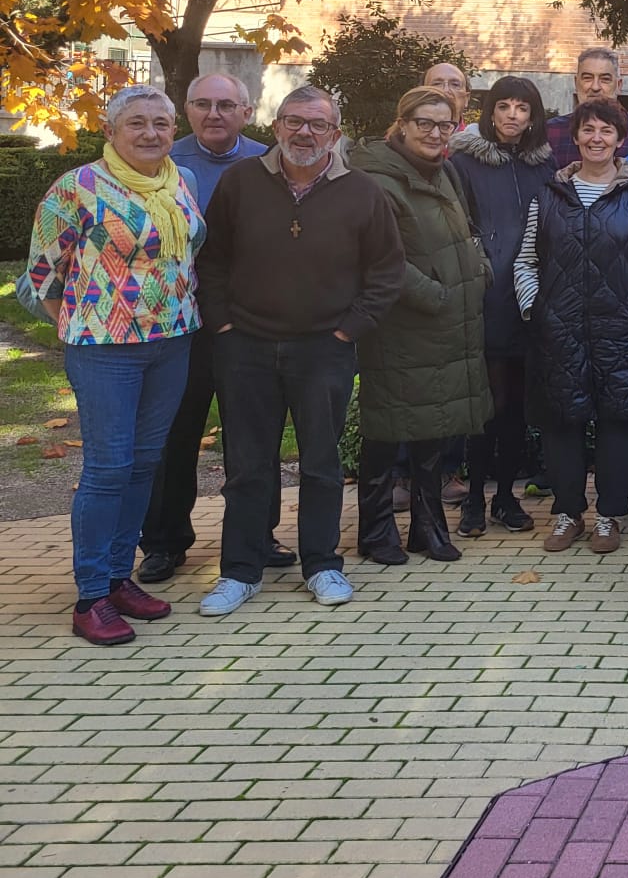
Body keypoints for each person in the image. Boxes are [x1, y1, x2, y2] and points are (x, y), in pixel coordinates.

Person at [196, 85, 403, 617]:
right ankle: (239, 572)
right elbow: (211, 260)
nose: (304, 132)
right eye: (293, 121)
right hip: (245, 346)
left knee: (322, 463)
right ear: (276, 125)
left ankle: (322, 563)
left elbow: (385, 272)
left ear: (335, 133)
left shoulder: (362, 192)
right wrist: (220, 325)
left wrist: (348, 331)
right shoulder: (240, 183)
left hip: (324, 349)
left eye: (317, 124)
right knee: (246, 464)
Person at [23, 87, 206, 645]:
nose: (151, 133)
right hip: (105, 347)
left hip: (172, 339)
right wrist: (84, 320)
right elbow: (41, 276)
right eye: (137, 124)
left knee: (146, 462)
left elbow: (188, 253)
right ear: (111, 131)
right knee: (107, 467)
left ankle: (118, 576)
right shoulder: (75, 189)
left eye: (161, 123)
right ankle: (90, 596)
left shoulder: (182, 182)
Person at [515, 97, 628, 556]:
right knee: (561, 421)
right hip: (558, 328)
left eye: (607, 131)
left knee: (619, 422)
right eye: (588, 130)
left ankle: (609, 516)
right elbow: (527, 260)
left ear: (621, 140)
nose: (596, 138)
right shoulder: (548, 194)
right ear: (577, 138)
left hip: (624, 327)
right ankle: (568, 512)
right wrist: (533, 307)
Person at [348, 88, 493, 566]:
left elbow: (462, 231)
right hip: (402, 325)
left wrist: (478, 269)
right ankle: (375, 530)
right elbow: (379, 258)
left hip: (449, 322)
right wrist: (438, 296)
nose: (435, 132)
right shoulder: (375, 178)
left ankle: (427, 526)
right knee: (388, 430)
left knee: (436, 427)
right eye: (425, 123)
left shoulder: (443, 170)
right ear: (403, 124)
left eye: (445, 124)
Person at [138, 72, 270, 585]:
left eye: (225, 105)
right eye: (202, 105)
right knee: (174, 436)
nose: (214, 114)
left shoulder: (268, 161)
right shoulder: (162, 162)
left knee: (251, 436)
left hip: (251, 320)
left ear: (247, 110)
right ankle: (164, 542)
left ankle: (257, 534)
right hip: (181, 324)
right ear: (185, 111)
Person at [445, 76, 554, 536]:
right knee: (484, 407)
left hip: (529, 301)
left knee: (515, 408)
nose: (512, 115)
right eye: (504, 106)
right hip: (484, 299)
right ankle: (473, 499)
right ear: (489, 112)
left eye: (522, 108)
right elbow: (457, 227)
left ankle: (506, 497)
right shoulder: (464, 163)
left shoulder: (545, 169)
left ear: (533, 116)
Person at [544, 47, 628, 168]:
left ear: (619, 85)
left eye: (605, 79)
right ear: (576, 83)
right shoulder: (551, 131)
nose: (595, 87)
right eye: (587, 78)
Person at [422, 61, 471, 130]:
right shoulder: (408, 138)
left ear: (466, 99)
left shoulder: (475, 140)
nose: (446, 90)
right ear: (422, 95)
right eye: (437, 84)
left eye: (455, 84)